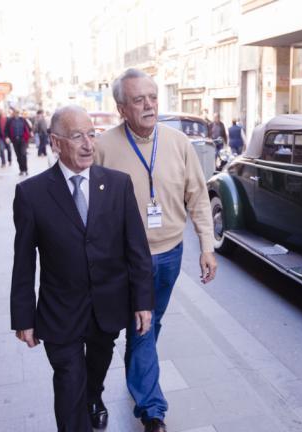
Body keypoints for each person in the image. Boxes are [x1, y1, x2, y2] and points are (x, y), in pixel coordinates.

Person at [10, 105, 153, 431]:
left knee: (97, 364)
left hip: (108, 305)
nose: (89, 144)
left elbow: (137, 251)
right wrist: (23, 317)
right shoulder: (31, 194)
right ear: (56, 142)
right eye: (78, 136)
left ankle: (94, 395)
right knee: (68, 380)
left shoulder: (118, 185)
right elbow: (23, 262)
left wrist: (143, 301)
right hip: (60, 311)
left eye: (92, 134)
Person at [95, 68, 217, 432]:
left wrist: (206, 247)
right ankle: (152, 410)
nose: (148, 105)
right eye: (138, 99)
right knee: (134, 328)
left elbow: (197, 197)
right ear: (121, 108)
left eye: (152, 97)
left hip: (170, 254)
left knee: (150, 324)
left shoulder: (178, 142)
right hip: (124, 261)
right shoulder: (104, 146)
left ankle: (140, 381)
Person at [5, 108, 31, 175]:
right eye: (15, 112)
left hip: (22, 139)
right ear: (13, 113)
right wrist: (7, 137)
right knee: (18, 155)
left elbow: (28, 127)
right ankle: (21, 170)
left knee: (23, 154)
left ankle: (25, 169)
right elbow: (6, 130)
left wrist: (30, 133)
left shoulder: (23, 120)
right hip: (14, 140)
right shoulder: (10, 121)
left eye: (17, 112)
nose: (16, 114)